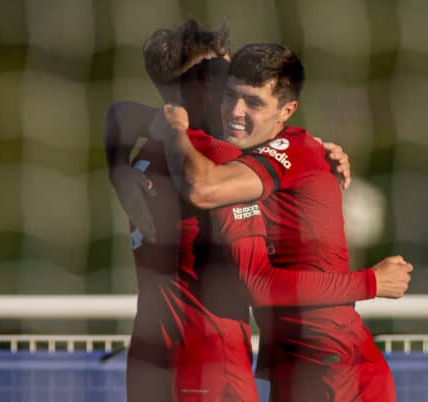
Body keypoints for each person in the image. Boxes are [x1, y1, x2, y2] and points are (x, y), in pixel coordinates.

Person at [106, 21, 412, 401]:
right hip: (213, 364)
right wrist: (372, 282)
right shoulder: (213, 161)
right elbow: (259, 283)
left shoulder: (149, 147)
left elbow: (119, 113)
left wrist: (117, 165)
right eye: (224, 76)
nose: (234, 89)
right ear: (204, 83)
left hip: (149, 359)